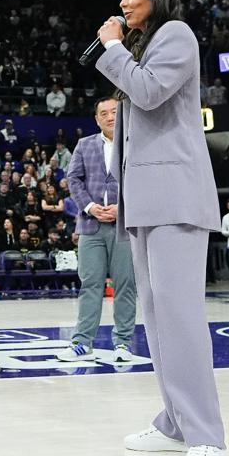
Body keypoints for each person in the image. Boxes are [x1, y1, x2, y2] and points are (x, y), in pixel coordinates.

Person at [93, 0, 228, 456]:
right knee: (157, 318)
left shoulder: (176, 34)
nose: (123, 2)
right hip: (145, 200)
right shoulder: (144, 46)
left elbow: (149, 93)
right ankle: (174, 421)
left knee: (180, 318)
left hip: (175, 196)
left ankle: (206, 435)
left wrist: (112, 47)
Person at [56, 97, 137, 363]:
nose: (110, 117)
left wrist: (123, 207)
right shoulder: (84, 144)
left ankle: (123, 343)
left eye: (114, 112)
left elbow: (143, 181)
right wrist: (90, 207)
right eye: (104, 113)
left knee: (125, 284)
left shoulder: (135, 143)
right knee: (90, 284)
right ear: (96, 119)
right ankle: (82, 343)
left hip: (124, 224)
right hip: (90, 225)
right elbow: (73, 179)